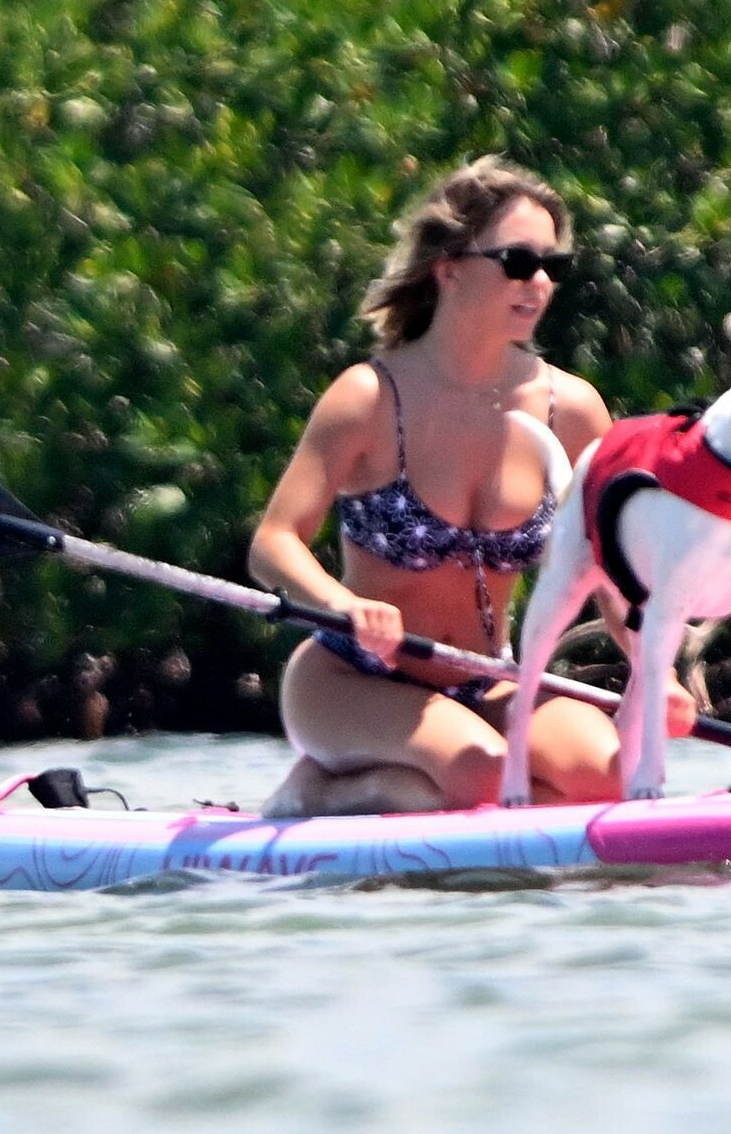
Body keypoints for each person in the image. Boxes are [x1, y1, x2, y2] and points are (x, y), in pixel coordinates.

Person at [248, 157, 694, 817]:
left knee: (616, 777)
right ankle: (315, 791)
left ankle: (432, 795)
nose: (538, 282)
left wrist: (658, 670)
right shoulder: (368, 397)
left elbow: (613, 573)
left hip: (489, 679)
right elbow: (273, 542)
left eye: (552, 266)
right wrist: (344, 604)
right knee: (483, 775)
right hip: (352, 678)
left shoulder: (573, 411)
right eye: (517, 261)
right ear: (448, 268)